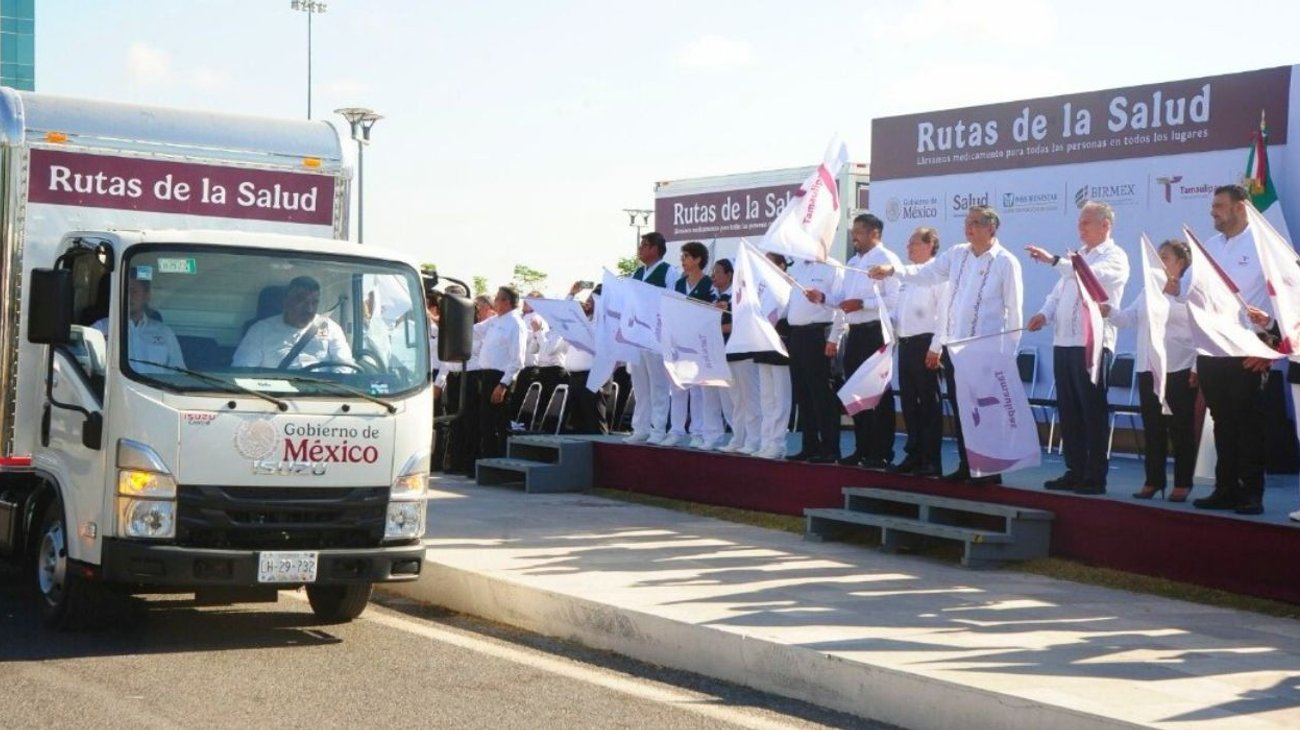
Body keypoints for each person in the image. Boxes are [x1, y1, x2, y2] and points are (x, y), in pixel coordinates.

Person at [870, 205, 1023, 485]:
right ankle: (968, 464)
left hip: (986, 349)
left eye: (975, 223)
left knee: (985, 410)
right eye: (967, 222)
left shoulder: (1006, 261)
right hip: (956, 348)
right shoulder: (957, 255)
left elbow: (1014, 312)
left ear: (991, 228)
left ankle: (989, 470)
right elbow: (926, 274)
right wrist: (892, 271)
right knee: (963, 408)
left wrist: (1008, 355)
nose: (969, 228)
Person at [1025, 201, 1131, 495]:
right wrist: (1043, 314)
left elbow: (1088, 276)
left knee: (1091, 410)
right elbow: (1056, 294)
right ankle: (1074, 470)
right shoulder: (1077, 257)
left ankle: (1095, 476)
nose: (1080, 227)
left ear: (1105, 225)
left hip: (1092, 344)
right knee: (1068, 409)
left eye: (1086, 222)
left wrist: (1052, 260)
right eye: (1079, 222)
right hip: (1064, 342)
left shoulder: (1114, 256)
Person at [1188, 185, 1273, 515]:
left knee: (1248, 424)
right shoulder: (1209, 247)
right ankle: (1224, 489)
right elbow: (1198, 296)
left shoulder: (1264, 245)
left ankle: (1251, 493)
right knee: (1222, 422)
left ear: (1240, 208)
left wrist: (1270, 345)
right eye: (1212, 206)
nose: (1213, 211)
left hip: (1248, 349)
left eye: (1219, 205)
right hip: (1212, 350)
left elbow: (1287, 296)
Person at [1102, 240, 1198, 502]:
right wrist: (1108, 311)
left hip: (1178, 367)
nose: (1159, 261)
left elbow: (1202, 332)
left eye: (1164, 257)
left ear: (1180, 262)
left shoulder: (1190, 291)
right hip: (1148, 368)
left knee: (1180, 428)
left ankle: (1182, 483)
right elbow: (1129, 318)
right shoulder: (1149, 290)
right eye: (1157, 256)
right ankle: (1153, 481)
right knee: (1153, 428)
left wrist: (1196, 366)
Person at [829, 213, 901, 469]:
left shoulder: (887, 260)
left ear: (874, 233)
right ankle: (862, 449)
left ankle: (881, 452)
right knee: (856, 392)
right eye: (853, 232)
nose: (854, 237)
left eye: (858, 232)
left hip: (876, 333)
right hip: (856, 333)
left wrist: (863, 304)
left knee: (878, 394)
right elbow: (842, 298)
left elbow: (894, 303)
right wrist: (823, 298)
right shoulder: (852, 262)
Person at [891, 227, 947, 477]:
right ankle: (913, 455)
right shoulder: (909, 276)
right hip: (905, 345)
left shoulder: (939, 275)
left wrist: (936, 347)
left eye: (913, 243)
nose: (908, 248)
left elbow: (944, 314)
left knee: (928, 405)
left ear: (929, 245)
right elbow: (899, 312)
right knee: (909, 405)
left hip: (927, 345)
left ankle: (931, 460)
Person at [664, 241, 723, 449]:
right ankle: (676, 430)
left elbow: (714, 313)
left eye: (686, 256)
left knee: (698, 390)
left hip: (700, 344)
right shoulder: (678, 284)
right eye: (681, 257)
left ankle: (698, 431)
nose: (682, 260)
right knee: (678, 388)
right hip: (679, 343)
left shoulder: (709, 284)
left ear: (698, 259)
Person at [788, 256, 846, 463]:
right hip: (797, 334)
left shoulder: (833, 266)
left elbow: (842, 304)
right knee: (803, 393)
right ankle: (809, 446)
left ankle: (830, 449)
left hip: (820, 333)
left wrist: (834, 337)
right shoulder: (797, 267)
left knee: (823, 394)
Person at [625, 232, 680, 444]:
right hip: (637, 336)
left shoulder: (669, 272)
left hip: (657, 336)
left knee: (658, 385)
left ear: (655, 249)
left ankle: (658, 430)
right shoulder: (637, 273)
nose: (640, 249)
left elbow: (672, 301)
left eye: (644, 245)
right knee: (639, 385)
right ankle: (640, 428)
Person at [233, 275, 353, 369]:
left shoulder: (330, 328)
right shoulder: (260, 330)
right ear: (285, 301)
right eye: (302, 301)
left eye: (314, 302)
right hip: (273, 395)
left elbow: (344, 367)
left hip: (322, 394)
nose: (309, 309)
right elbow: (244, 369)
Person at [93, 269, 186, 374]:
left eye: (134, 291)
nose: (128, 296)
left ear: (147, 295)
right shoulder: (100, 329)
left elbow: (179, 373)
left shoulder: (164, 332)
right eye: (124, 291)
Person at [713, 258, 762, 455]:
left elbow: (744, 324)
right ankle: (738, 437)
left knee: (750, 399)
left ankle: (754, 440)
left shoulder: (747, 297)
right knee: (734, 401)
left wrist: (716, 326)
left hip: (745, 354)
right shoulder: (719, 297)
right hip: (727, 353)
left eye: (718, 272)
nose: (714, 276)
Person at [475, 286, 527, 460]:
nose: (494, 302)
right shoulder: (496, 320)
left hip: (500, 378)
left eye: (497, 299)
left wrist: (503, 384)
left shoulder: (515, 323)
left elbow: (517, 359)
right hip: (487, 375)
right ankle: (487, 459)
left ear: (506, 302)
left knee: (498, 423)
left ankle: (499, 460)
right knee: (485, 422)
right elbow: (475, 331)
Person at [753, 252, 794, 459]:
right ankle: (766, 440)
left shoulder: (789, 284)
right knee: (766, 397)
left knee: (780, 396)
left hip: (780, 342)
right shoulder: (761, 286)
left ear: (781, 265)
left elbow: (787, 313)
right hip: (763, 343)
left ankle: (778, 443)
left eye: (770, 263)